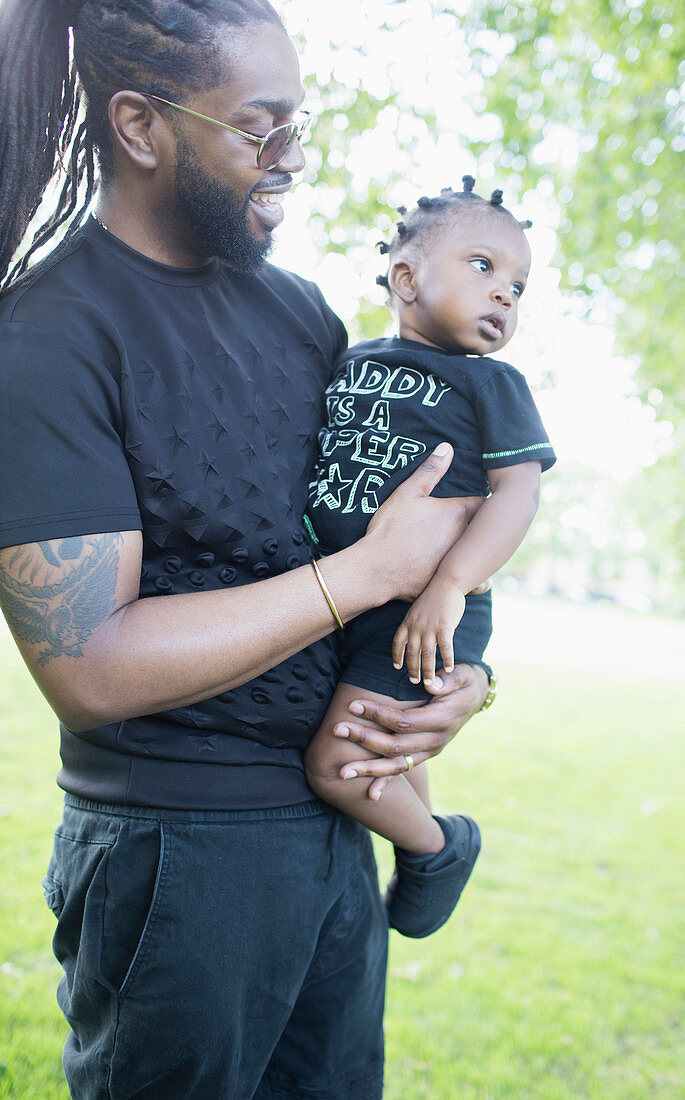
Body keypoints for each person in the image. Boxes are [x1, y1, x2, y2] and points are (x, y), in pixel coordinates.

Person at [0, 1, 494, 1097]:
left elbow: (404, 526)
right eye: (259, 128)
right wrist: (363, 574)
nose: (293, 160)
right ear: (140, 125)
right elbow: (90, 664)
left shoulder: (305, 316)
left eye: (299, 124)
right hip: (180, 856)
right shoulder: (50, 334)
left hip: (334, 833)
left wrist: (463, 679)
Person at [304, 177, 556, 938]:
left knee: (336, 765)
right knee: (390, 755)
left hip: (425, 614)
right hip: (343, 597)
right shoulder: (349, 362)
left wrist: (448, 586)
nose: (504, 295)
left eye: (516, 284)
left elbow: (516, 495)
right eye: (483, 266)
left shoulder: (491, 382)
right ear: (406, 279)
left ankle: (437, 849)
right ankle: (422, 830)